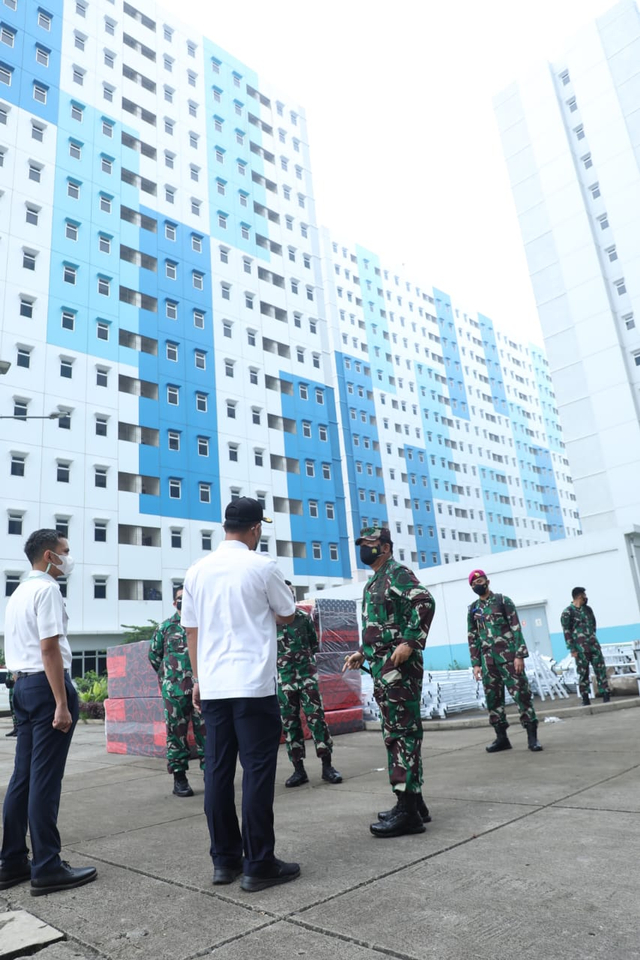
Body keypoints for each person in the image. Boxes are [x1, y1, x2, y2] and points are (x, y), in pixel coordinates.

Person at [182, 498, 300, 892]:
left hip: (213, 687)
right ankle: (259, 863)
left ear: (225, 527)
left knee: (216, 772)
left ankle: (224, 861)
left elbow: (192, 632)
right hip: (252, 686)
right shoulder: (262, 566)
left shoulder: (197, 571)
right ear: (255, 529)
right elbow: (287, 614)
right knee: (256, 772)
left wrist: (198, 679)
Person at [0, 529, 97, 895]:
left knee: (23, 777)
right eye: (65, 551)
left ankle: (11, 862)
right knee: (45, 779)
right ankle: (47, 866)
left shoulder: (18, 593)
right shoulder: (47, 590)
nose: (69, 558)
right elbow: (49, 649)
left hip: (21, 687)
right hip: (46, 686)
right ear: (48, 557)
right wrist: (61, 702)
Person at [344, 526, 435, 838]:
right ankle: (415, 802)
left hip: (399, 670)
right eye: (361, 544)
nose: (363, 549)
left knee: (401, 734)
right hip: (383, 668)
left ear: (384, 547)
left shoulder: (397, 572)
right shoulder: (374, 581)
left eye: (368, 544)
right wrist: (361, 652)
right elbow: (379, 627)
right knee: (401, 731)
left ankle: (407, 811)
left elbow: (425, 602)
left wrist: (410, 641)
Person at [467, 569, 542, 754]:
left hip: (509, 659)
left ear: (488, 581)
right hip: (487, 662)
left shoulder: (503, 601)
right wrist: (476, 663)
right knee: (493, 700)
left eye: (481, 581)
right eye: (474, 584)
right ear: (472, 587)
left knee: (521, 696)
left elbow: (516, 628)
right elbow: (472, 636)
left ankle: (532, 737)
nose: (478, 585)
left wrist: (519, 655)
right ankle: (502, 738)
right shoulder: (473, 609)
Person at [277, 581, 342, 788]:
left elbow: (314, 646)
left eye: (291, 593)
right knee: (290, 725)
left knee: (317, 721)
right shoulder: (270, 622)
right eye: (284, 593)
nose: (288, 596)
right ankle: (298, 770)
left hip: (307, 679)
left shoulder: (304, 618)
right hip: (284, 681)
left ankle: (327, 766)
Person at [148, 586, 205, 797]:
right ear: (174, 603)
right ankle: (179, 779)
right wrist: (169, 678)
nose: (183, 602)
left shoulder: (202, 625)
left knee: (207, 735)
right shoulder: (165, 628)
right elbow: (154, 656)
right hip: (175, 692)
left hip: (202, 690)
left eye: (186, 598)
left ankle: (211, 775)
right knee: (176, 736)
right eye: (180, 599)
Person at [561, 587, 610, 706]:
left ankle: (606, 695)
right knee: (583, 673)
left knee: (601, 670)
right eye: (584, 595)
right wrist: (572, 648)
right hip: (580, 649)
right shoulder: (567, 612)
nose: (585, 597)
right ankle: (585, 698)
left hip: (593, 646)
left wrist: (591, 638)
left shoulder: (588, 610)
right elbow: (567, 632)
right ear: (578, 596)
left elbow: (593, 625)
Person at [5, 671, 17, 737]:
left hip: (16, 690)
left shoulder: (16, 668)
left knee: (17, 710)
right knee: (13, 710)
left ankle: (19, 729)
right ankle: (15, 728)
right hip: (11, 692)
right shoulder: (9, 670)